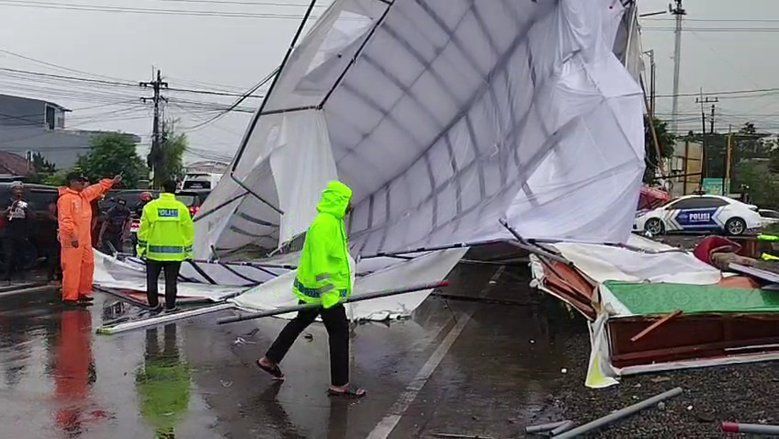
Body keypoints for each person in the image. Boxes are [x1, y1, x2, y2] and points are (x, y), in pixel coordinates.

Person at [257, 181, 365, 398]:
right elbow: (321, 263)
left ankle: (269, 360)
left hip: (318, 290)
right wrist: (329, 294)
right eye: (347, 202)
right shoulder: (326, 224)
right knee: (339, 331)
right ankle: (339, 385)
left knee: (300, 321)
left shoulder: (332, 222)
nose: (350, 206)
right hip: (324, 292)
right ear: (339, 201)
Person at [58, 172, 122, 306]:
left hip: (84, 238)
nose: (83, 184)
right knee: (72, 268)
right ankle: (70, 297)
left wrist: (112, 181)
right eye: (80, 182)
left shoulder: (83, 196)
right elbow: (66, 221)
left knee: (87, 265)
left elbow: (97, 188)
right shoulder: (66, 199)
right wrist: (73, 236)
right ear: (72, 182)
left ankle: (81, 292)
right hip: (72, 239)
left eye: (83, 182)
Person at [136, 180, 194, 313]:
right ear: (175, 190)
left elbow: (143, 230)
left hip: (154, 253)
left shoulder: (151, 207)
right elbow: (189, 232)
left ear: (162, 189)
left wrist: (141, 249)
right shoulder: (181, 208)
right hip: (175, 254)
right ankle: (171, 306)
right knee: (171, 281)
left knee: (152, 280)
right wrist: (188, 252)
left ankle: (154, 306)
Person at [2, 182, 33, 282]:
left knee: (21, 254)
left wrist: (25, 208)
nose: (18, 191)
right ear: (12, 191)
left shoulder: (25, 203)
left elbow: (33, 216)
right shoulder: (6, 202)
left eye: (20, 189)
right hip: (9, 232)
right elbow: (2, 215)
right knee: (9, 254)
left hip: (21, 232)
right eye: (16, 189)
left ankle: (21, 275)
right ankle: (7, 275)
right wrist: (10, 209)